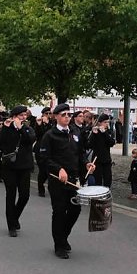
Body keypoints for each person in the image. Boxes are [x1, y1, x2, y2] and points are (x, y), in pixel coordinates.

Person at [38, 103, 95, 259]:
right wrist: (58, 169)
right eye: (63, 115)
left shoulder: (75, 132)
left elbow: (80, 153)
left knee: (75, 210)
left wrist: (86, 164)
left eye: (68, 115)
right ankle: (59, 245)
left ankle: (63, 236)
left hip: (74, 179)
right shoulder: (50, 135)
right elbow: (43, 158)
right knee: (59, 212)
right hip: (57, 181)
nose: (67, 117)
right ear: (56, 116)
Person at [0, 105, 36, 236]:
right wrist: (5, 128)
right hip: (10, 167)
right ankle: (11, 226)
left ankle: (14, 217)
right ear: (14, 117)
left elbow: (31, 140)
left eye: (25, 115)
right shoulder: (7, 128)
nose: (24, 117)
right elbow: (1, 143)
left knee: (25, 195)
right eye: (21, 116)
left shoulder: (27, 128)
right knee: (11, 195)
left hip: (24, 166)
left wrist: (21, 128)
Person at [88, 113, 115, 187]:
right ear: (100, 123)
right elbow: (90, 145)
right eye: (105, 122)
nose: (106, 124)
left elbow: (112, 143)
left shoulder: (109, 132)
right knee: (97, 179)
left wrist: (104, 133)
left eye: (107, 122)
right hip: (97, 159)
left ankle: (107, 191)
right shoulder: (95, 130)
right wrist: (93, 134)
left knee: (108, 178)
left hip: (106, 158)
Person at [34, 107, 53, 197]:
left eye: (50, 113)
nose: (48, 115)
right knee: (42, 170)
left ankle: (50, 188)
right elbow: (38, 135)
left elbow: (52, 133)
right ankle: (40, 189)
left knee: (49, 170)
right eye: (47, 113)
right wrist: (39, 124)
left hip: (50, 149)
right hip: (40, 149)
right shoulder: (38, 122)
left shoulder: (52, 123)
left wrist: (48, 124)